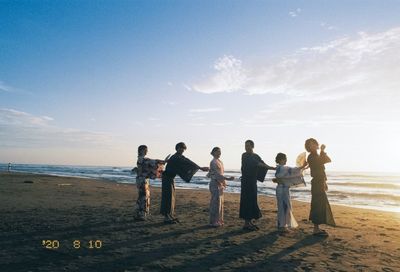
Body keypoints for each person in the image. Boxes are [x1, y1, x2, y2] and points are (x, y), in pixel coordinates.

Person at [160, 142, 209, 224]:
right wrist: (200, 168)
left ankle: (170, 215)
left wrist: (200, 167)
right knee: (167, 197)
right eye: (181, 148)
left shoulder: (179, 156)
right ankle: (166, 217)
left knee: (171, 197)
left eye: (183, 148)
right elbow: (187, 163)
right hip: (167, 179)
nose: (182, 150)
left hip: (170, 178)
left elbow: (187, 161)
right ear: (177, 148)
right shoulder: (175, 157)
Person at [240, 140, 275, 231]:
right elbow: (256, 163)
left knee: (252, 200)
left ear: (252, 146)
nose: (246, 147)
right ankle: (246, 223)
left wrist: (272, 168)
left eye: (248, 146)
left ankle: (249, 221)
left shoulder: (256, 156)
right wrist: (270, 167)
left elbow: (262, 163)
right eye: (245, 146)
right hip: (246, 182)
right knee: (246, 201)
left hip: (252, 182)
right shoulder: (245, 155)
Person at [305, 138, 336, 236]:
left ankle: (317, 228)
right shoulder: (311, 157)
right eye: (310, 145)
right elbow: (326, 160)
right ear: (308, 147)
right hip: (316, 183)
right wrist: (322, 151)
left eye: (314, 143)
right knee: (317, 204)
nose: (313, 145)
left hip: (320, 182)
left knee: (320, 204)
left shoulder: (316, 156)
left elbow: (322, 169)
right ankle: (315, 229)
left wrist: (325, 182)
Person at [274, 153, 307, 234]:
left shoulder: (278, 168)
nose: (286, 160)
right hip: (283, 190)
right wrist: (302, 167)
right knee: (284, 207)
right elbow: (293, 171)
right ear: (282, 159)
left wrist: (303, 167)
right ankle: (282, 226)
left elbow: (290, 172)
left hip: (280, 189)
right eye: (285, 158)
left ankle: (281, 225)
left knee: (282, 207)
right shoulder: (283, 168)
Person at [134, 145, 167, 221]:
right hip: (142, 180)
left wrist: (162, 161)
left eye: (146, 150)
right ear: (141, 150)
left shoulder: (141, 158)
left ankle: (139, 214)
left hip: (142, 179)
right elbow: (153, 161)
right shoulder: (142, 159)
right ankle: (141, 215)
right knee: (143, 197)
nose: (146, 151)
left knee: (142, 196)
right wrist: (163, 161)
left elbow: (151, 162)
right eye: (145, 150)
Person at [207, 147, 234, 228]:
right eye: (218, 152)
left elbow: (220, 173)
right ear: (214, 152)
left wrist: (223, 182)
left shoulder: (220, 162)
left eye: (220, 152)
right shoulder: (213, 162)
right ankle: (213, 221)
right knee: (215, 203)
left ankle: (219, 220)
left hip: (220, 184)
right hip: (215, 183)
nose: (219, 153)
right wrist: (227, 178)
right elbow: (217, 174)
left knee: (220, 203)